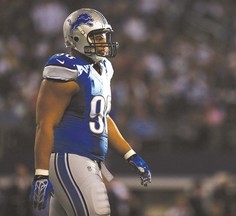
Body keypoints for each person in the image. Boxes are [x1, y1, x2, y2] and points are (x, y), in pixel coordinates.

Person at [30, 8, 152, 216]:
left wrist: (130, 154)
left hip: (88, 160)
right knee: (98, 211)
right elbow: (45, 124)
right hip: (70, 158)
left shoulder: (103, 68)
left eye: (105, 36)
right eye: (98, 36)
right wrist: (41, 174)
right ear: (77, 38)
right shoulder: (67, 69)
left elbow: (102, 118)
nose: (104, 41)